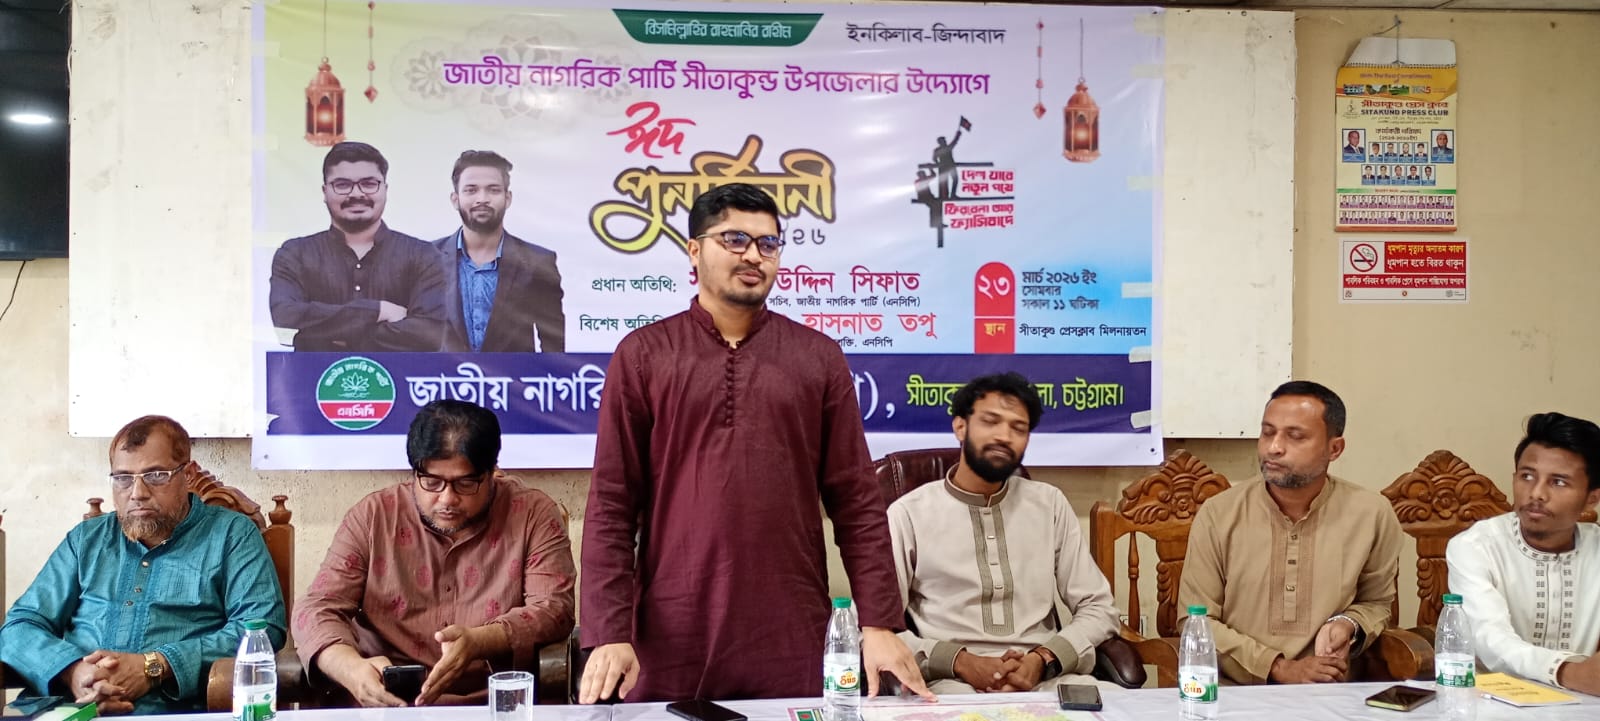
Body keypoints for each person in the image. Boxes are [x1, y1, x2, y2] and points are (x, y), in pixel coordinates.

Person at [578, 182, 933, 703]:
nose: (754, 256)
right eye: (735, 239)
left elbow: (857, 501)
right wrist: (609, 631)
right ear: (694, 250)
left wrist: (879, 622)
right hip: (670, 632)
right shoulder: (643, 356)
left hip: (789, 632)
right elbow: (612, 502)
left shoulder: (817, 358)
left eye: (768, 244)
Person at [294, 400, 576, 707]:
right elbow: (317, 609)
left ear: (492, 472)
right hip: (387, 704)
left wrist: (482, 640)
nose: (447, 499)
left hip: (494, 704)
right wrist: (350, 668)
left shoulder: (532, 513)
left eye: (465, 483)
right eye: (431, 482)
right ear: (414, 472)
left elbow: (554, 610)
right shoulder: (374, 516)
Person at [0, 416, 285, 715]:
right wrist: (74, 672)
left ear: (188, 475)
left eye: (157, 475)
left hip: (172, 709)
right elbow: (20, 626)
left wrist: (156, 665)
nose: (137, 493)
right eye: (123, 478)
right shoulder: (86, 540)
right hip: (71, 707)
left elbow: (262, 628)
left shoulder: (231, 534)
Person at [888, 373, 1119, 694]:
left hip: (1045, 679)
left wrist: (1044, 658)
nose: (1004, 436)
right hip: (949, 684)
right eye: (990, 421)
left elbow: (1099, 608)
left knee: (1125, 709)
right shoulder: (909, 514)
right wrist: (959, 661)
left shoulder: (1049, 504)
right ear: (960, 426)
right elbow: (874, 628)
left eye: (1018, 428)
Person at [1179, 381, 1402, 685]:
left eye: (1295, 436)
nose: (1274, 447)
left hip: (1331, 691)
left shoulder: (1371, 514)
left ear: (1334, 449)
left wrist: (1348, 624)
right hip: (1234, 692)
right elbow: (1195, 620)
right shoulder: (1220, 513)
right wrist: (1278, 667)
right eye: (1267, 432)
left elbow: (1377, 604)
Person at [1445, 412, 1600, 695]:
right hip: (1489, 701)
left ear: (1592, 497)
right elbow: (1492, 643)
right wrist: (1568, 671)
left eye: (1558, 482)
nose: (1536, 493)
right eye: (1527, 476)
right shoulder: (1475, 547)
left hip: (1584, 703)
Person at [269, 141, 448, 351]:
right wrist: (377, 311)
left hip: (399, 374)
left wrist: (325, 336)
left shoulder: (423, 255)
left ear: (385, 189)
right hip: (313, 373)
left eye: (369, 184)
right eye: (342, 185)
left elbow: (430, 334)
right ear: (325, 192)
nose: (356, 194)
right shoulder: (295, 254)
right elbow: (285, 320)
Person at [433, 151, 566, 353]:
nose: (482, 199)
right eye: (471, 190)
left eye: (493, 190)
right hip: (443, 374)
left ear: (507, 198)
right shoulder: (427, 258)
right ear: (455, 199)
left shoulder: (537, 262)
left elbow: (554, 349)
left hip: (515, 374)